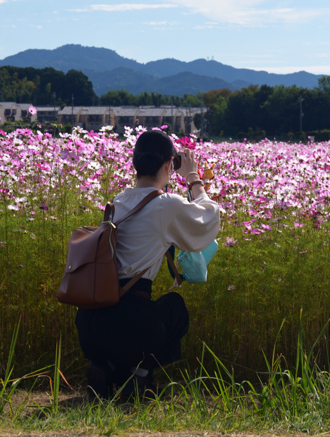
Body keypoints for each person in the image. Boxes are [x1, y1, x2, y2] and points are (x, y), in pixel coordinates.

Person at [74, 129, 222, 400]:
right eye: (173, 163)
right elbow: (209, 219)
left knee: (127, 325)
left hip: (90, 323)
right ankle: (137, 375)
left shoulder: (118, 202)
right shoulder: (165, 205)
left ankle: (104, 368)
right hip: (132, 325)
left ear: (135, 163)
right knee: (175, 309)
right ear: (169, 164)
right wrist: (192, 177)